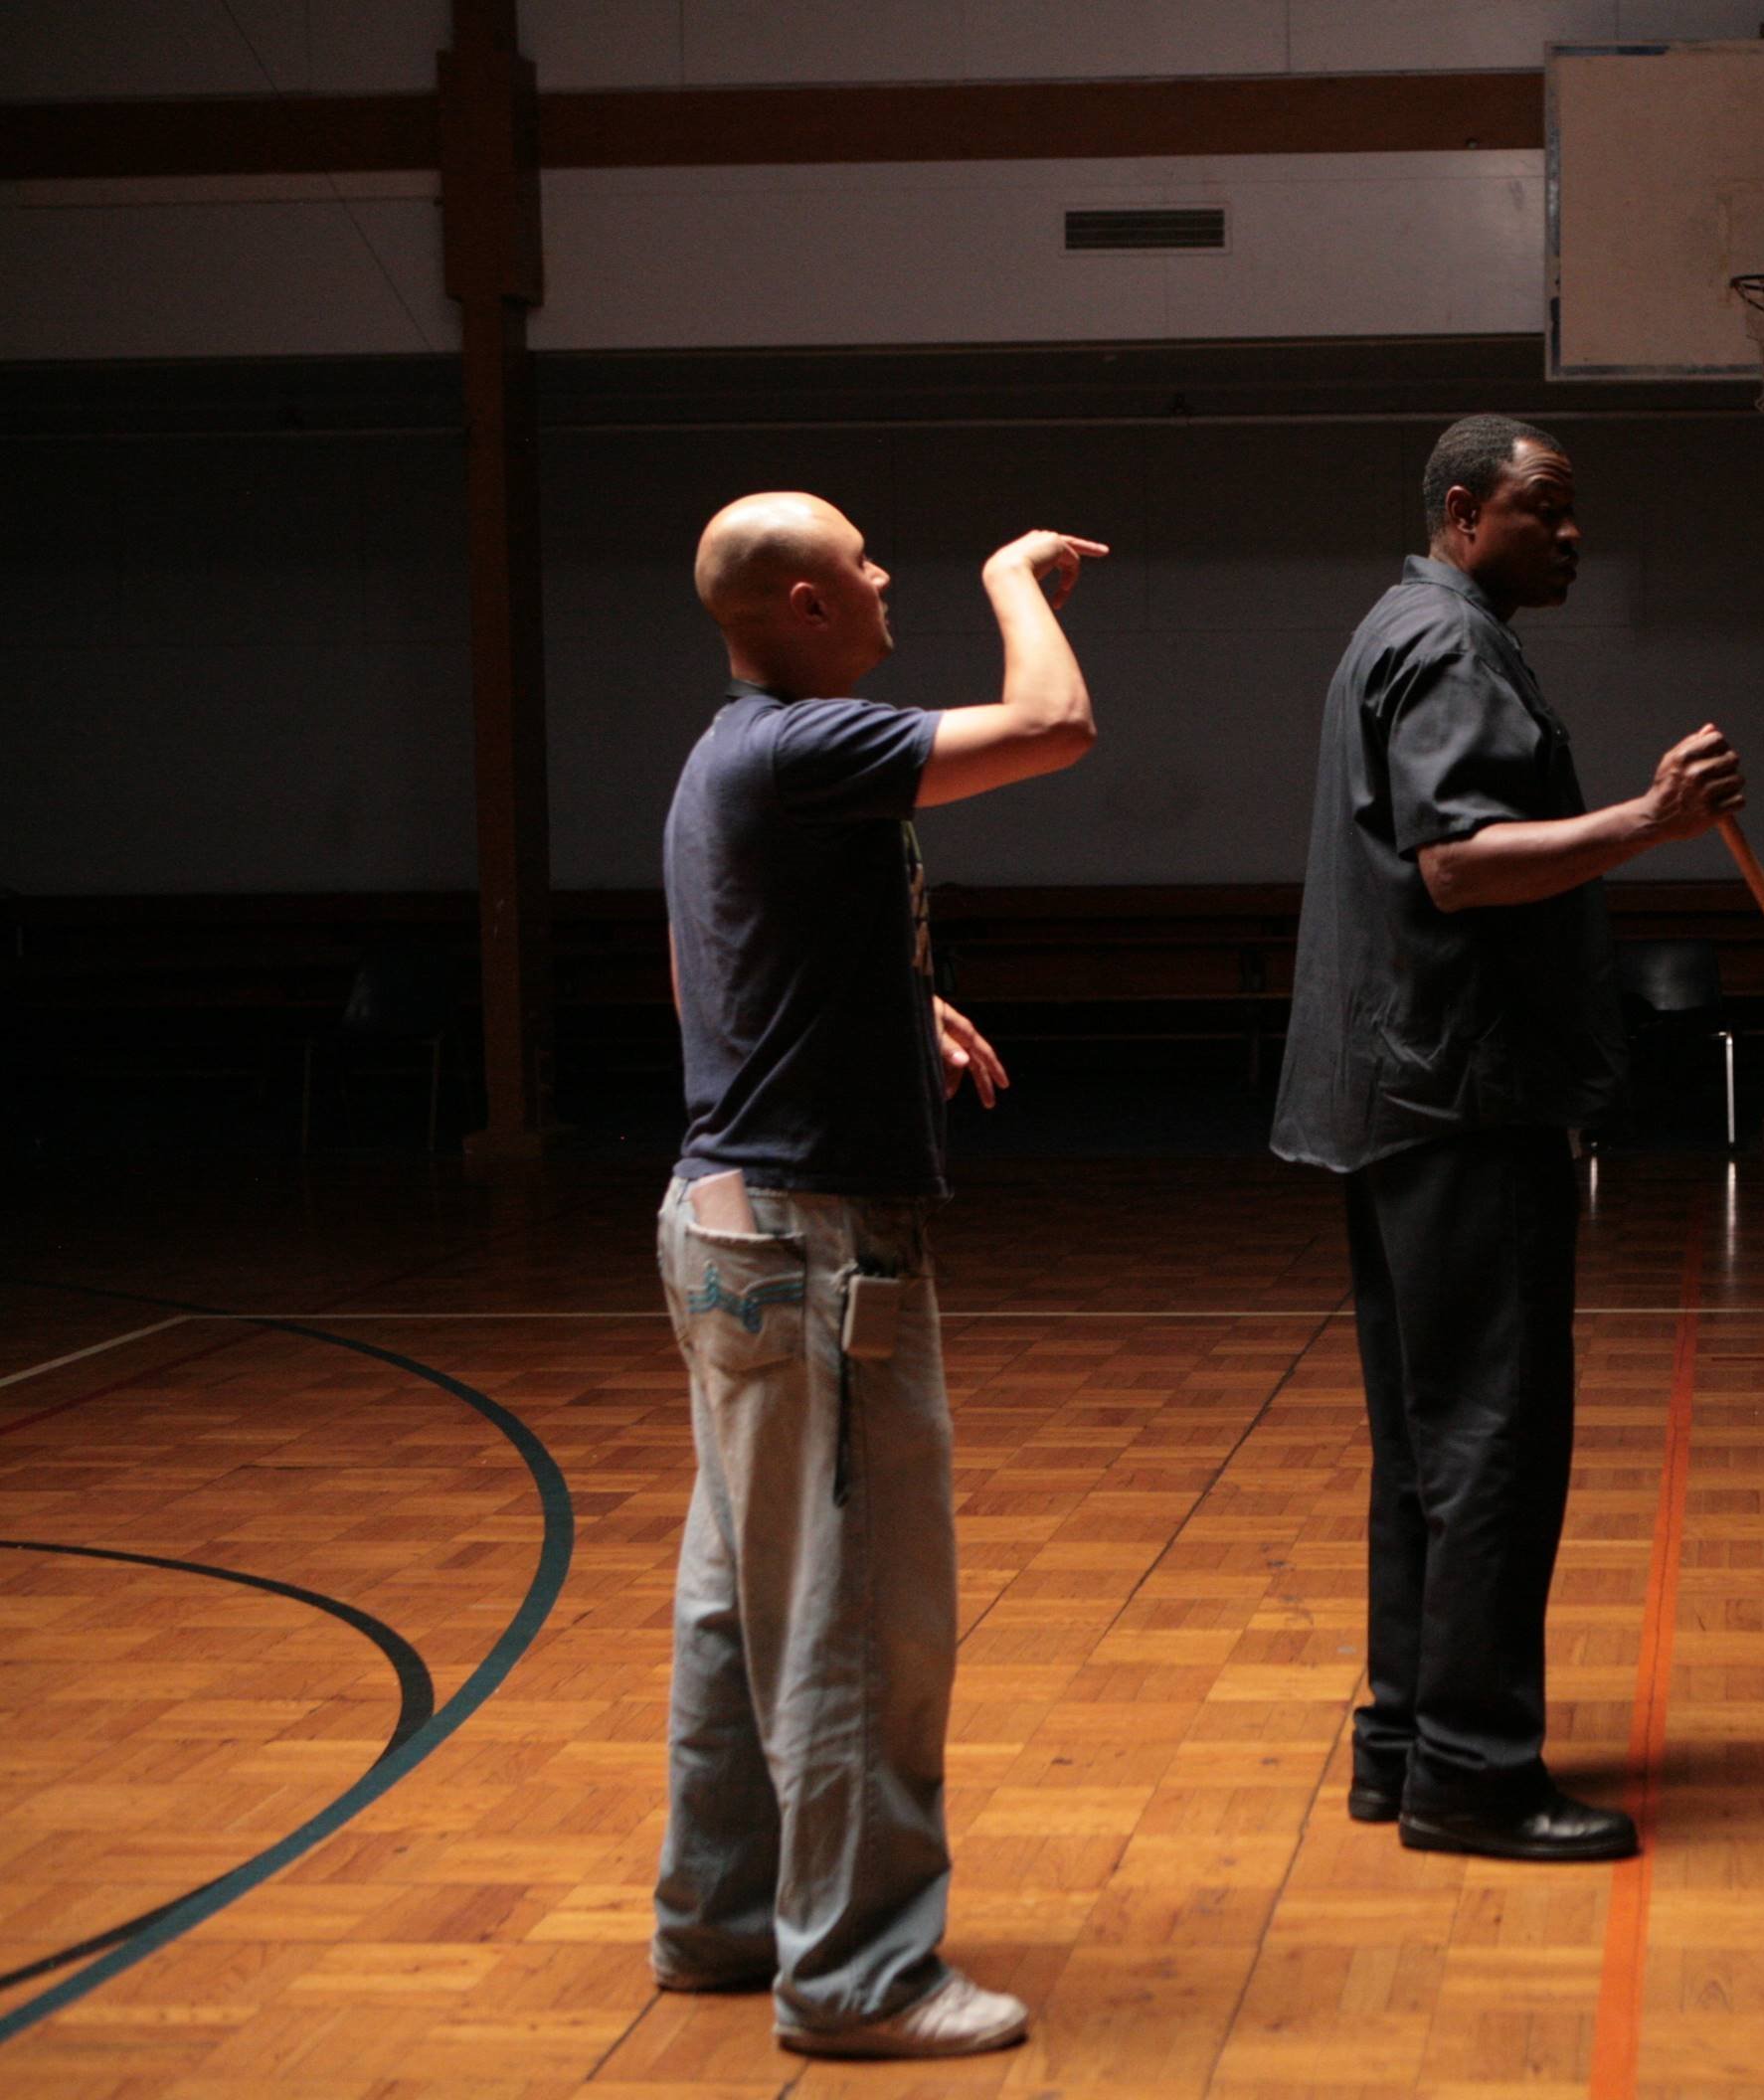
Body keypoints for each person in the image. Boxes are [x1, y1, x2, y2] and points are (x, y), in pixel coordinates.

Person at [652, 490, 1107, 2056]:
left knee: (739, 1598)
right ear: (798, 605)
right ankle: (858, 1975)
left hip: (728, 1229)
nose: (883, 572)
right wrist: (1013, 579)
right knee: (857, 1619)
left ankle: (719, 1919)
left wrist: (894, 1006)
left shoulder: (734, 763)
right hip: (812, 1246)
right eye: (858, 560)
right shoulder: (798, 745)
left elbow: (714, 958)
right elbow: (1055, 725)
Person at [1273, 415, 1743, 1859]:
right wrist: (1650, 822)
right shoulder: (1453, 646)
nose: (1574, 533)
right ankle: (1474, 1774)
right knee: (1488, 1439)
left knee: (1428, 1441)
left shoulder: (1397, 628)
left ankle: (1406, 1741)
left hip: (1398, 1101)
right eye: (1549, 510)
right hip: (1461, 1104)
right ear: (1467, 513)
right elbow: (1460, 865)